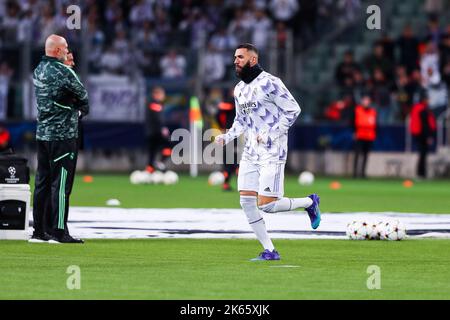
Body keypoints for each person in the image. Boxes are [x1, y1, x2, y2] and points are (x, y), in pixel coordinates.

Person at [215, 43, 321, 261]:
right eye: (235, 57)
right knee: (245, 201)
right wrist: (227, 136)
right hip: (251, 152)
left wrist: (272, 133)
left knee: (269, 205)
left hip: (273, 150)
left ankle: (310, 202)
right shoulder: (239, 90)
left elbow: (293, 110)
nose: (235, 60)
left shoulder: (271, 83)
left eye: (240, 57)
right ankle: (270, 250)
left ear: (253, 60)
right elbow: (241, 122)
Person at [30, 34, 89, 243]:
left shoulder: (38, 70)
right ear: (57, 51)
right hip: (63, 136)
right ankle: (59, 231)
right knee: (61, 184)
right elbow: (84, 97)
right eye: (65, 48)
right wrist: (74, 106)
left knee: (42, 183)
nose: (67, 51)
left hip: (42, 134)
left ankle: (39, 231)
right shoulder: (65, 71)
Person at [409, 91, 437, 179]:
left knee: (422, 154)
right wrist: (429, 136)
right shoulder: (423, 109)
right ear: (424, 100)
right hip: (422, 135)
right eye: (427, 99)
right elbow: (425, 125)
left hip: (418, 134)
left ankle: (420, 173)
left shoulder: (417, 108)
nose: (428, 101)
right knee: (423, 154)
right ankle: (421, 174)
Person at [216, 88, 238, 191]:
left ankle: (226, 183)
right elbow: (219, 114)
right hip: (235, 133)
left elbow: (218, 114)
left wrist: (222, 126)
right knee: (235, 159)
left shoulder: (228, 102)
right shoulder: (236, 102)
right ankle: (244, 185)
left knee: (230, 160)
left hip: (230, 133)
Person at [145, 86, 170, 173]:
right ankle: (161, 163)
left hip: (151, 132)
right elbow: (158, 118)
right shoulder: (155, 104)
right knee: (169, 144)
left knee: (152, 152)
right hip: (156, 132)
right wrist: (162, 128)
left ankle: (149, 170)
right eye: (162, 94)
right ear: (156, 94)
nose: (163, 96)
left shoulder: (153, 104)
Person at [352, 93, 377, 178]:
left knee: (366, 156)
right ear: (362, 101)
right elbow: (352, 122)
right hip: (360, 136)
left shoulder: (373, 112)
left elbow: (375, 124)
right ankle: (355, 173)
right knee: (357, 154)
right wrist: (354, 132)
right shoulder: (357, 110)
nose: (366, 102)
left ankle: (363, 173)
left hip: (369, 136)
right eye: (365, 100)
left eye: (368, 101)